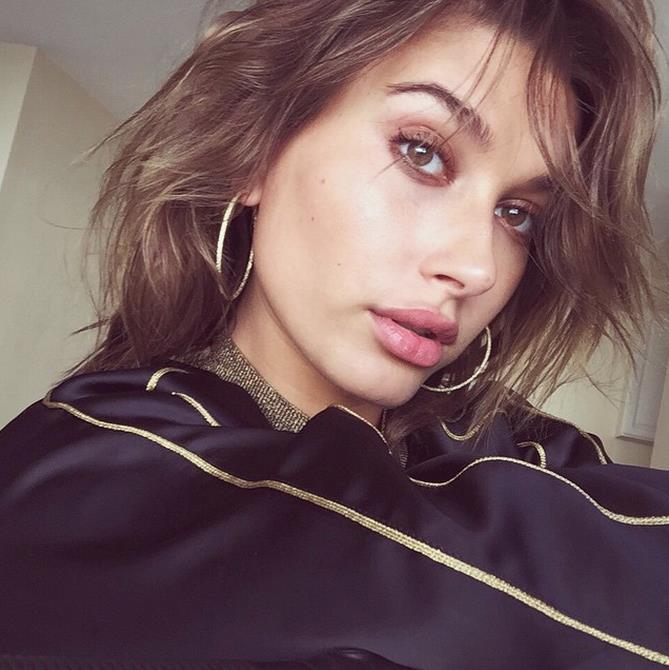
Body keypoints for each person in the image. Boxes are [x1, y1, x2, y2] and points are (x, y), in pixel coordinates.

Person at [1, 0, 668, 668]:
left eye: (516, 213)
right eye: (422, 153)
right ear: (255, 149)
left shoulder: (523, 448)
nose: (477, 267)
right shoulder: (86, 470)